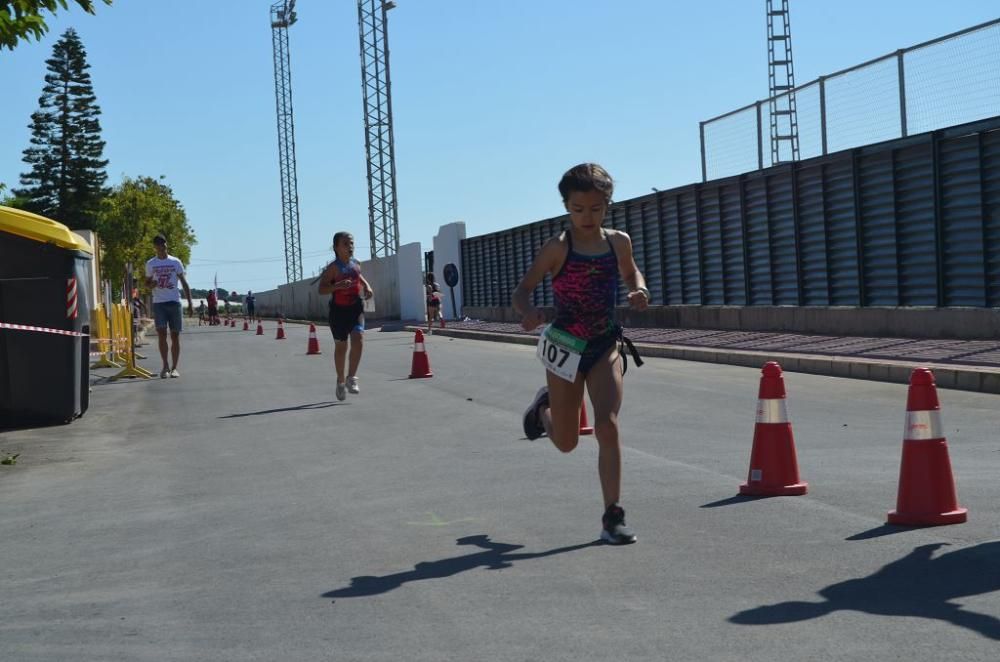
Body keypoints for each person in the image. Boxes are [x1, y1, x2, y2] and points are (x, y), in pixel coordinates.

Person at [511, 163, 649, 545]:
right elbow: (522, 290)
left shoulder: (618, 241)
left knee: (607, 425)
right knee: (567, 442)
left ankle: (613, 516)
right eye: (578, 209)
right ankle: (543, 410)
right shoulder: (558, 247)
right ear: (566, 206)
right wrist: (527, 313)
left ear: (607, 205)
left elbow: (632, 273)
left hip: (604, 345)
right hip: (565, 348)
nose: (587, 217)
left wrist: (640, 291)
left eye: (595, 208)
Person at [318, 232, 374, 401]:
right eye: (345, 244)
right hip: (338, 312)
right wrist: (338, 285)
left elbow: (359, 276)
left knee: (359, 339)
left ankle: (351, 378)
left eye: (352, 243)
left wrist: (368, 287)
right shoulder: (333, 268)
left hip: (355, 308)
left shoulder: (356, 264)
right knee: (341, 348)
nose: (350, 247)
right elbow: (321, 289)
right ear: (336, 248)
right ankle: (340, 381)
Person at [144, 233, 194, 379]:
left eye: (164, 244)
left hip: (174, 302)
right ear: (155, 247)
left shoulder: (175, 262)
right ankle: (165, 366)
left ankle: (174, 368)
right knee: (161, 334)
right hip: (159, 303)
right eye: (159, 244)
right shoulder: (151, 264)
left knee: (175, 335)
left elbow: (184, 282)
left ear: (166, 245)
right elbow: (146, 283)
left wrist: (190, 303)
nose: (162, 247)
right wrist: (150, 284)